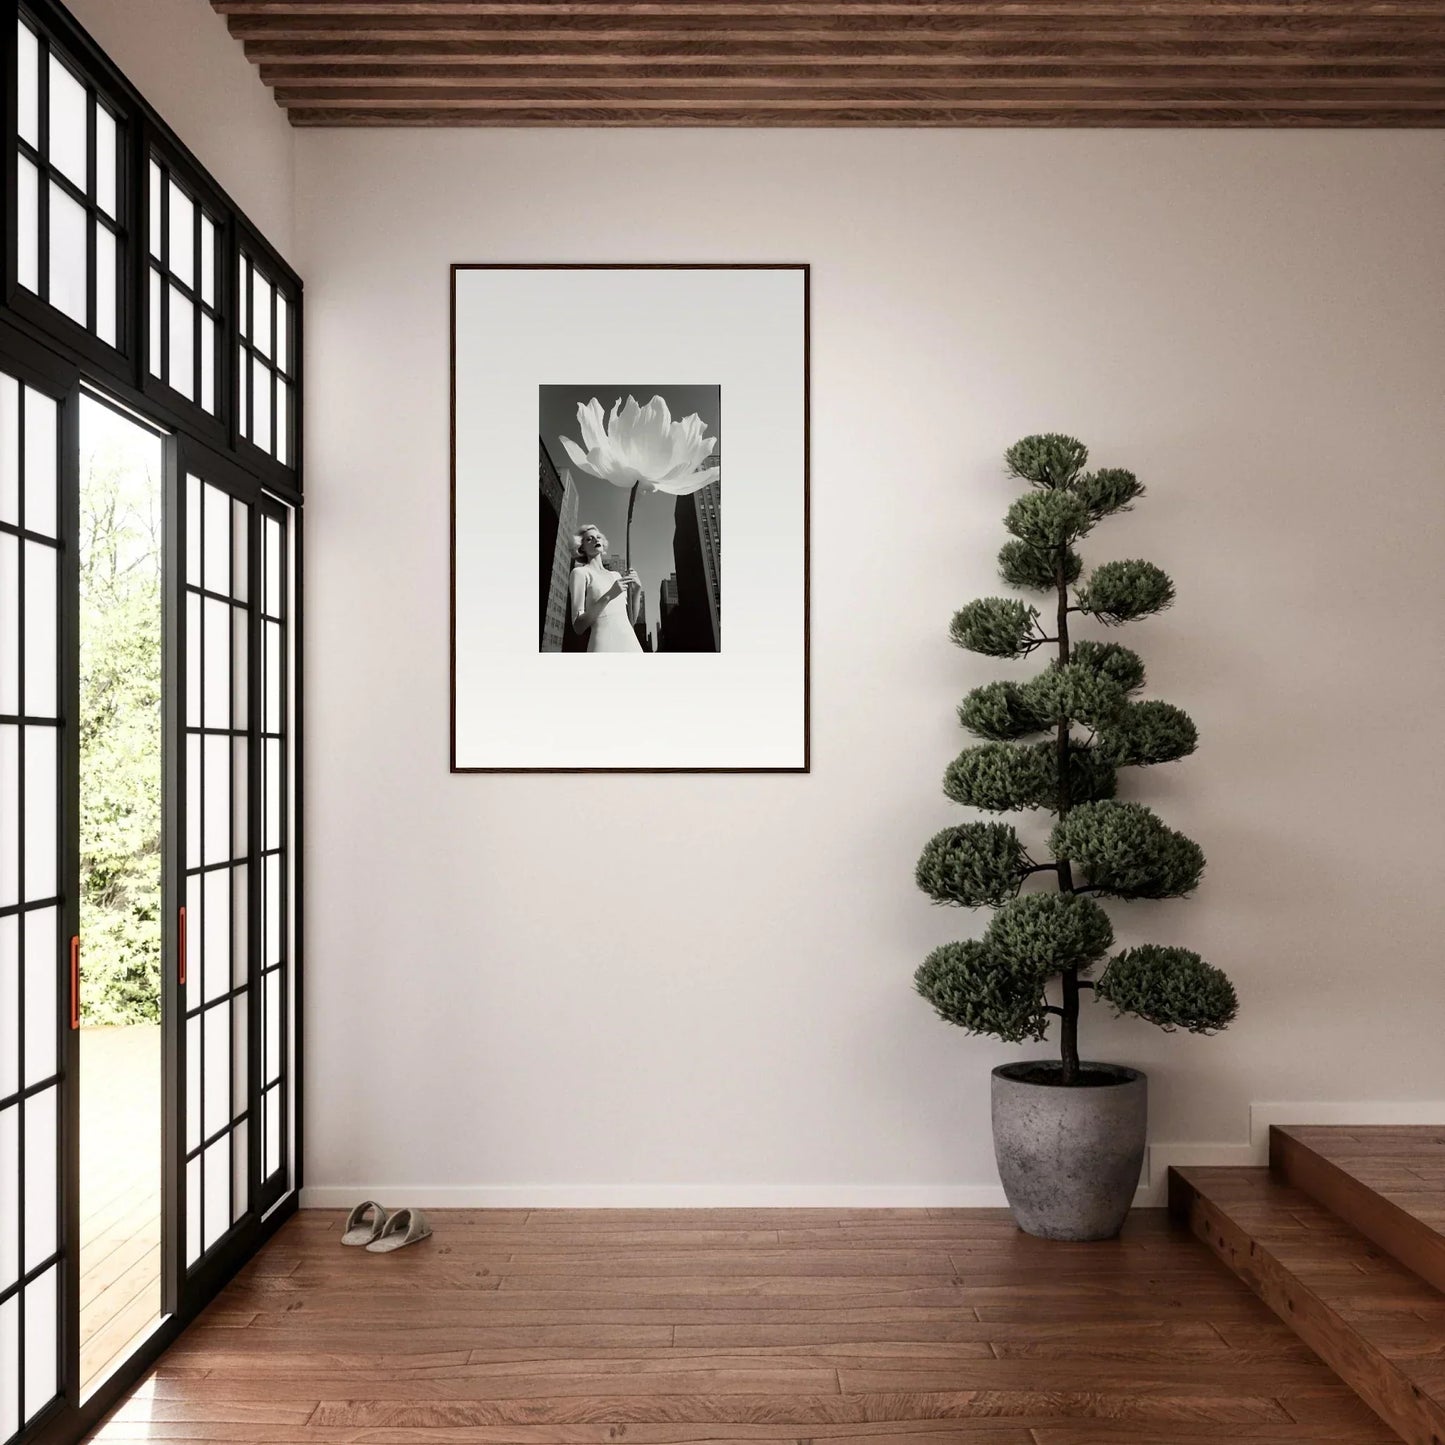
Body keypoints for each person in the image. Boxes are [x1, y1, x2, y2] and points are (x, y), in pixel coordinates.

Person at [569, 525, 642, 653]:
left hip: (631, 644)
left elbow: (630, 621)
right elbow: (578, 626)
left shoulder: (616, 576)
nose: (595, 540)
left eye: (598, 537)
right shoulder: (580, 573)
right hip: (604, 645)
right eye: (589, 539)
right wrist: (609, 595)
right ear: (582, 547)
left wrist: (637, 591)